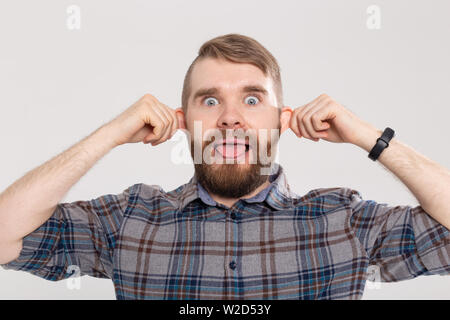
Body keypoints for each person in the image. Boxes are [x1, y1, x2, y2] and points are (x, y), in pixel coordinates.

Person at [0, 33, 449, 300]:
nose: (230, 117)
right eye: (209, 100)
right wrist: (112, 133)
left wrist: (368, 137)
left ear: (281, 120)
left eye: (252, 100)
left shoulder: (344, 220)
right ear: (182, 120)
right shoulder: (129, 219)